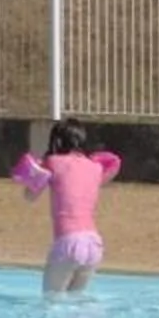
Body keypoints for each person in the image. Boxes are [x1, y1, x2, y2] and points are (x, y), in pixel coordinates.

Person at [14, 119, 122, 295]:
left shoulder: (52, 162)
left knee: (51, 301)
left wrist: (34, 171)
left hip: (69, 242)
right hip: (93, 244)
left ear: (56, 141)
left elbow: (29, 197)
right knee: (76, 304)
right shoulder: (95, 167)